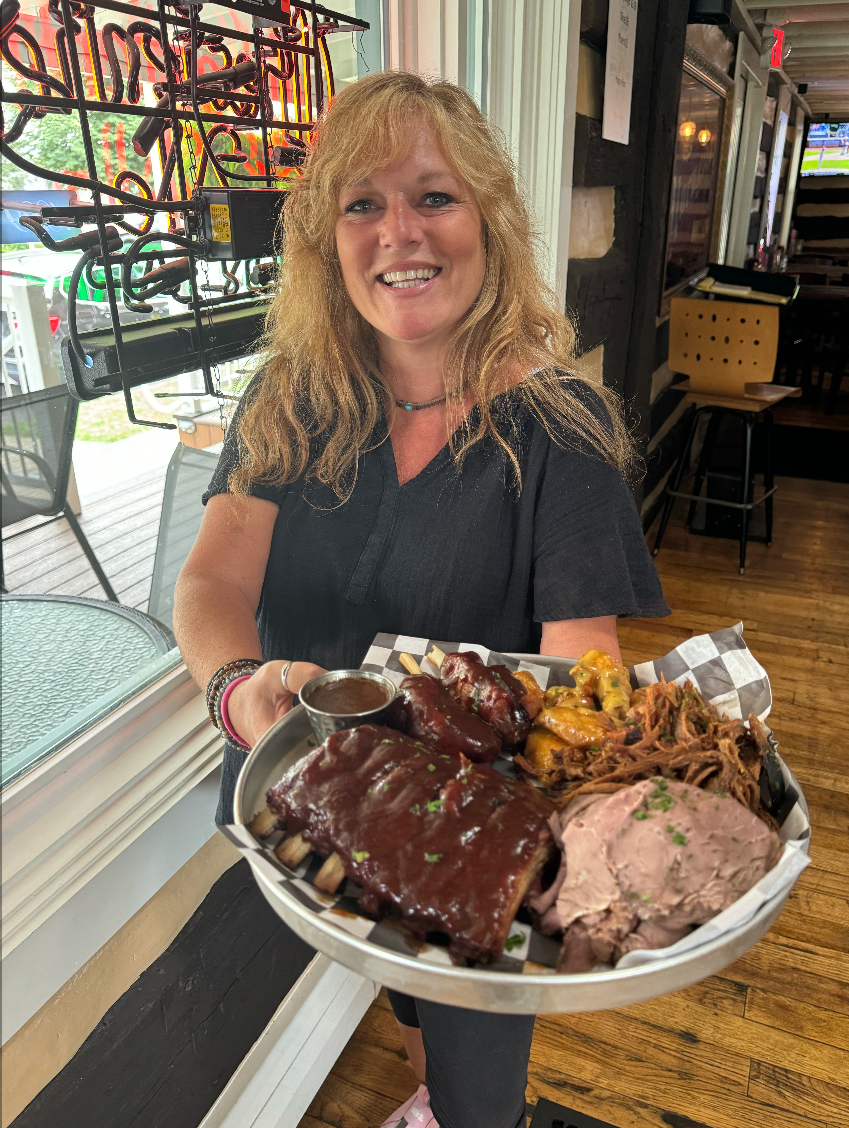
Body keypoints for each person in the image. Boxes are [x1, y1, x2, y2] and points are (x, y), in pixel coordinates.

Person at [175, 70, 669, 1128]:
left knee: (479, 1065)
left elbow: (584, 661)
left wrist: (595, 803)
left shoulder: (561, 429)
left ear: (488, 220)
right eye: (363, 202)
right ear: (326, 237)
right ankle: (424, 1089)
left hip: (474, 832)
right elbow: (213, 581)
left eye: (434, 195)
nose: (400, 230)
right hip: (311, 788)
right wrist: (235, 691)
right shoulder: (290, 397)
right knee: (402, 988)